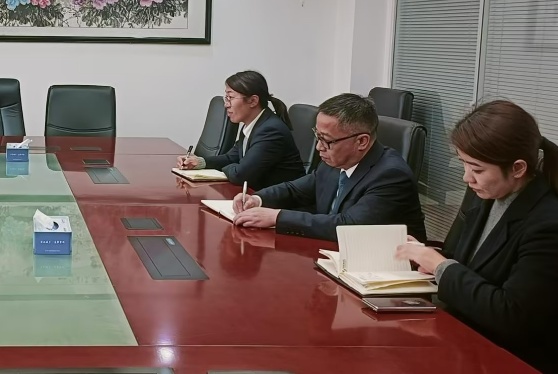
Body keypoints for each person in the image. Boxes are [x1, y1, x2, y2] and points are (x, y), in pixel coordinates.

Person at [396, 101, 558, 373]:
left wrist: (440, 266)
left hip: (509, 358)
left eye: (477, 169)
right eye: (464, 164)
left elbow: (512, 316)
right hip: (460, 333)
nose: (466, 178)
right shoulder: (485, 192)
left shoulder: (548, 224)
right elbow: (462, 260)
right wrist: (428, 258)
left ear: (518, 168)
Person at [232, 93, 426, 242]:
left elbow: (350, 225)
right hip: (334, 256)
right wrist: (257, 199)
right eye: (317, 136)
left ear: (362, 141)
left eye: (326, 140)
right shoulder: (334, 162)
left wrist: (277, 217)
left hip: (384, 269)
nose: (318, 147)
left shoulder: (391, 175)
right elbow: (296, 190)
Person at [177, 71, 304, 189]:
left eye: (230, 98)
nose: (226, 104)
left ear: (253, 101)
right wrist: (199, 162)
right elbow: (231, 157)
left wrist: (231, 168)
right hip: (256, 195)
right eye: (226, 98)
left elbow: (241, 175)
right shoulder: (252, 124)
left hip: (282, 202)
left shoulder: (271, 130)